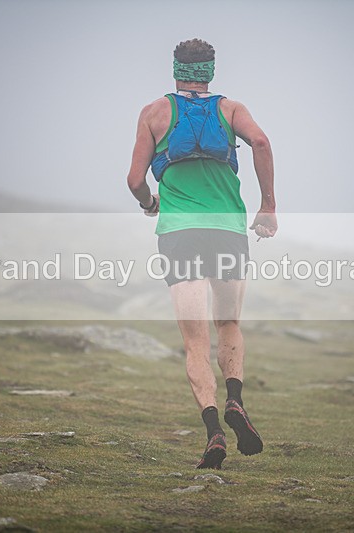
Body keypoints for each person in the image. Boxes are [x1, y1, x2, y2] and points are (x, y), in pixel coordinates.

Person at [127, 38, 277, 469]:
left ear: (176, 68)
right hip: (227, 229)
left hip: (180, 233)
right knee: (228, 323)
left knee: (195, 340)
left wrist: (149, 203)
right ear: (210, 71)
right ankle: (235, 401)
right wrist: (268, 205)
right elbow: (262, 144)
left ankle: (213, 432)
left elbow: (135, 178)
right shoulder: (231, 111)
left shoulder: (155, 112)